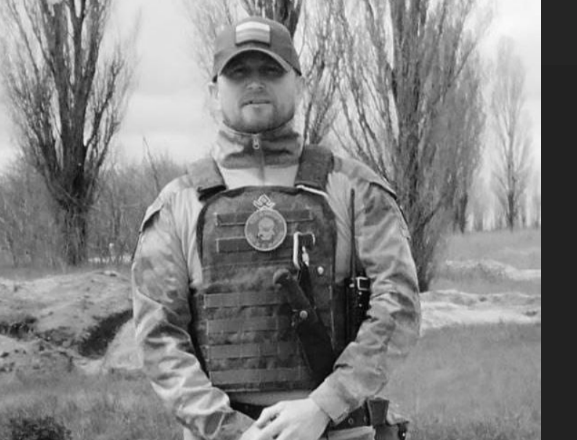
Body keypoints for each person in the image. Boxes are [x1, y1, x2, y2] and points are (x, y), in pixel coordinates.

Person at [131, 16, 421, 440]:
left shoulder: (356, 189)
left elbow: (398, 306)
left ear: (299, 85)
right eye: (238, 73)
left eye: (270, 70)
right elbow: (159, 337)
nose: (255, 83)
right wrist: (232, 431)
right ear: (214, 92)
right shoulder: (178, 205)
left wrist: (323, 406)